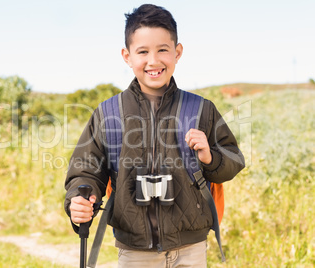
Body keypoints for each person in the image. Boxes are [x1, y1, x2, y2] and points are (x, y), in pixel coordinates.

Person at [64, 4, 245, 267]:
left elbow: (232, 161)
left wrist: (209, 157)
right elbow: (86, 171)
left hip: (191, 248)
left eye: (163, 50)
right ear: (127, 56)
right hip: (135, 252)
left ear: (177, 52)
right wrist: (79, 201)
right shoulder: (108, 113)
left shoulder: (201, 109)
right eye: (142, 52)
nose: (153, 61)